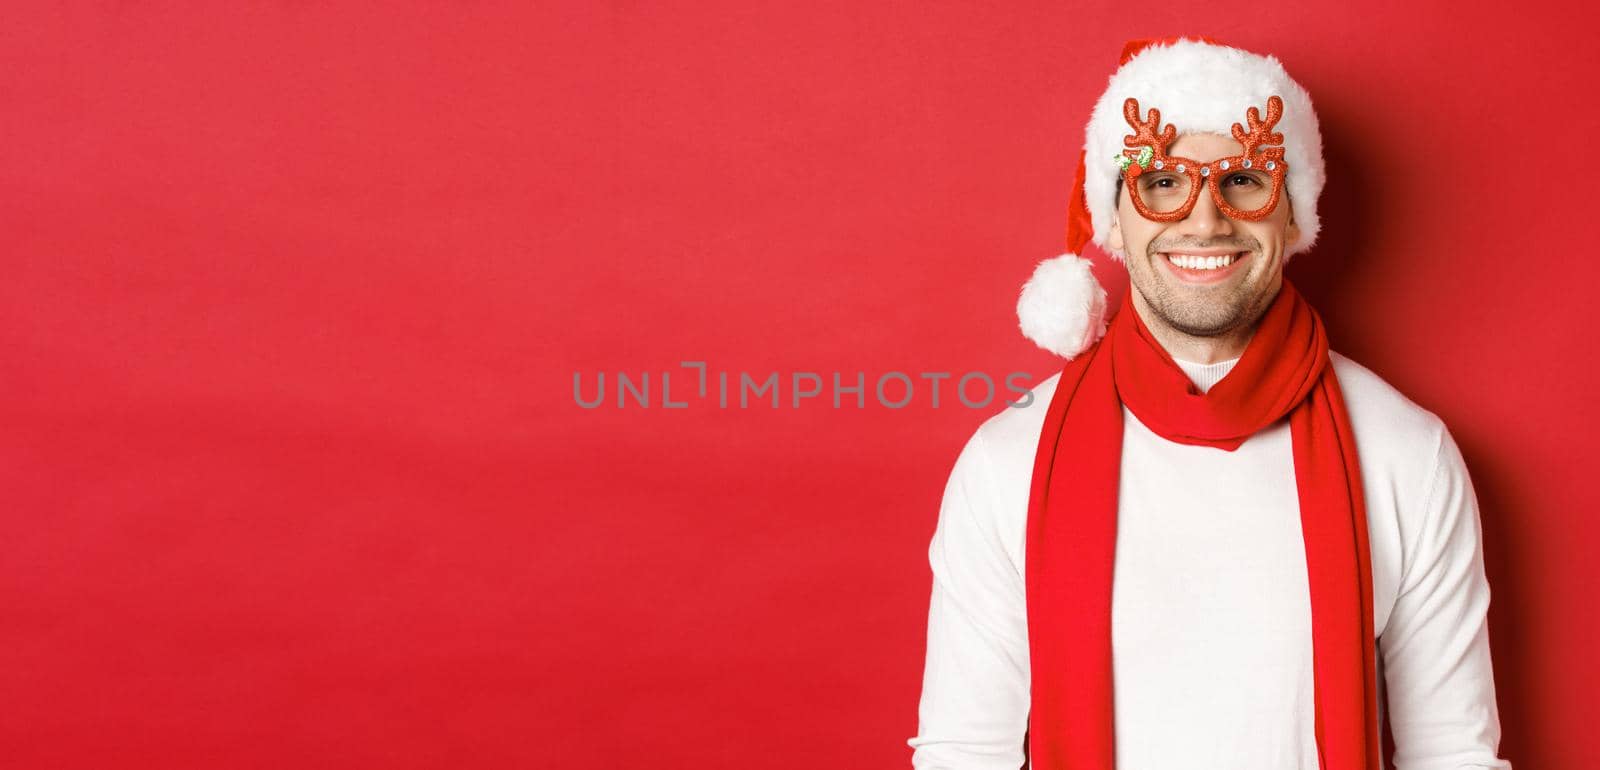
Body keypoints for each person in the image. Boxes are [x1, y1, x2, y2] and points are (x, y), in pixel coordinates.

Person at [907, 37, 1513, 770]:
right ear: (1112, 221)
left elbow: (1453, 753)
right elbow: (963, 754)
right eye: (1161, 183)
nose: (1203, 222)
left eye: (1245, 181)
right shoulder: (1009, 463)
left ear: (1292, 216)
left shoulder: (1405, 453)